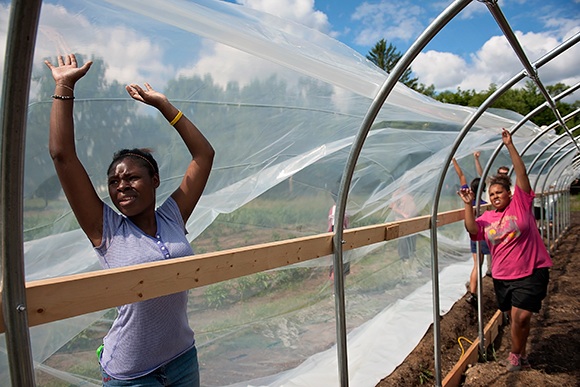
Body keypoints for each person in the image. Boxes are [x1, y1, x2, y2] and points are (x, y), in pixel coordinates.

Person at [45, 54, 215, 386]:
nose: (121, 185)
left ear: (154, 181)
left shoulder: (172, 216)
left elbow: (204, 156)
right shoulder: (105, 229)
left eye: (131, 178)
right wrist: (64, 85)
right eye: (114, 181)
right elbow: (62, 155)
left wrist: (164, 105)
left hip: (182, 359)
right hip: (132, 374)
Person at [458, 128, 552, 372]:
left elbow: (521, 175)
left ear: (509, 194)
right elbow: (471, 229)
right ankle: (520, 351)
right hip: (502, 276)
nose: (495, 196)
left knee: (521, 316)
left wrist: (510, 146)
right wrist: (468, 205)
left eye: (499, 192)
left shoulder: (521, 204)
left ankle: (515, 356)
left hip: (531, 270)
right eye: (491, 194)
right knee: (513, 317)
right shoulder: (487, 218)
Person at [451, 156, 491, 306]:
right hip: (486, 236)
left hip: (475, 237)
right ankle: (482, 288)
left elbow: (461, 175)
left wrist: (453, 160)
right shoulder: (484, 204)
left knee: (477, 264)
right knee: (489, 260)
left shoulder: (468, 199)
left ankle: (473, 294)